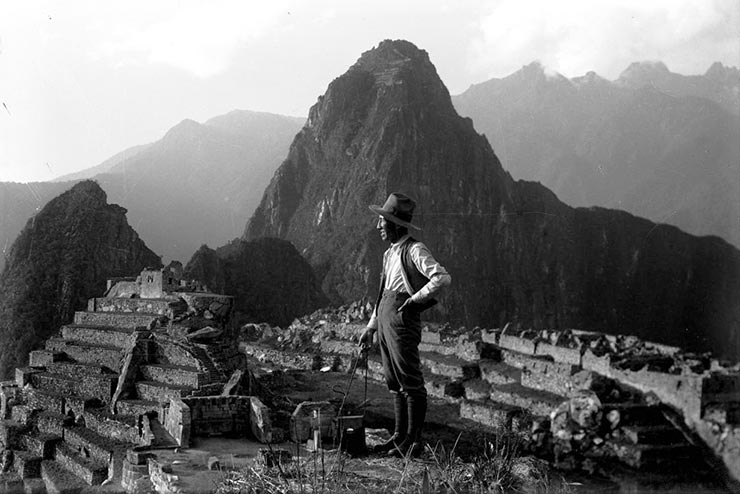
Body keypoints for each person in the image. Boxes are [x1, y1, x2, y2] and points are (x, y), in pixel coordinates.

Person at [358, 192, 451, 458]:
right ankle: (399, 436)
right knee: (393, 379)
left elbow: (442, 278)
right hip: (386, 317)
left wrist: (414, 300)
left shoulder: (415, 250)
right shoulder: (389, 254)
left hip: (401, 318)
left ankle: (414, 440)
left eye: (383, 221)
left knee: (409, 379)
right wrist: (371, 327)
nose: (378, 226)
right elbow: (382, 293)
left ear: (396, 224)